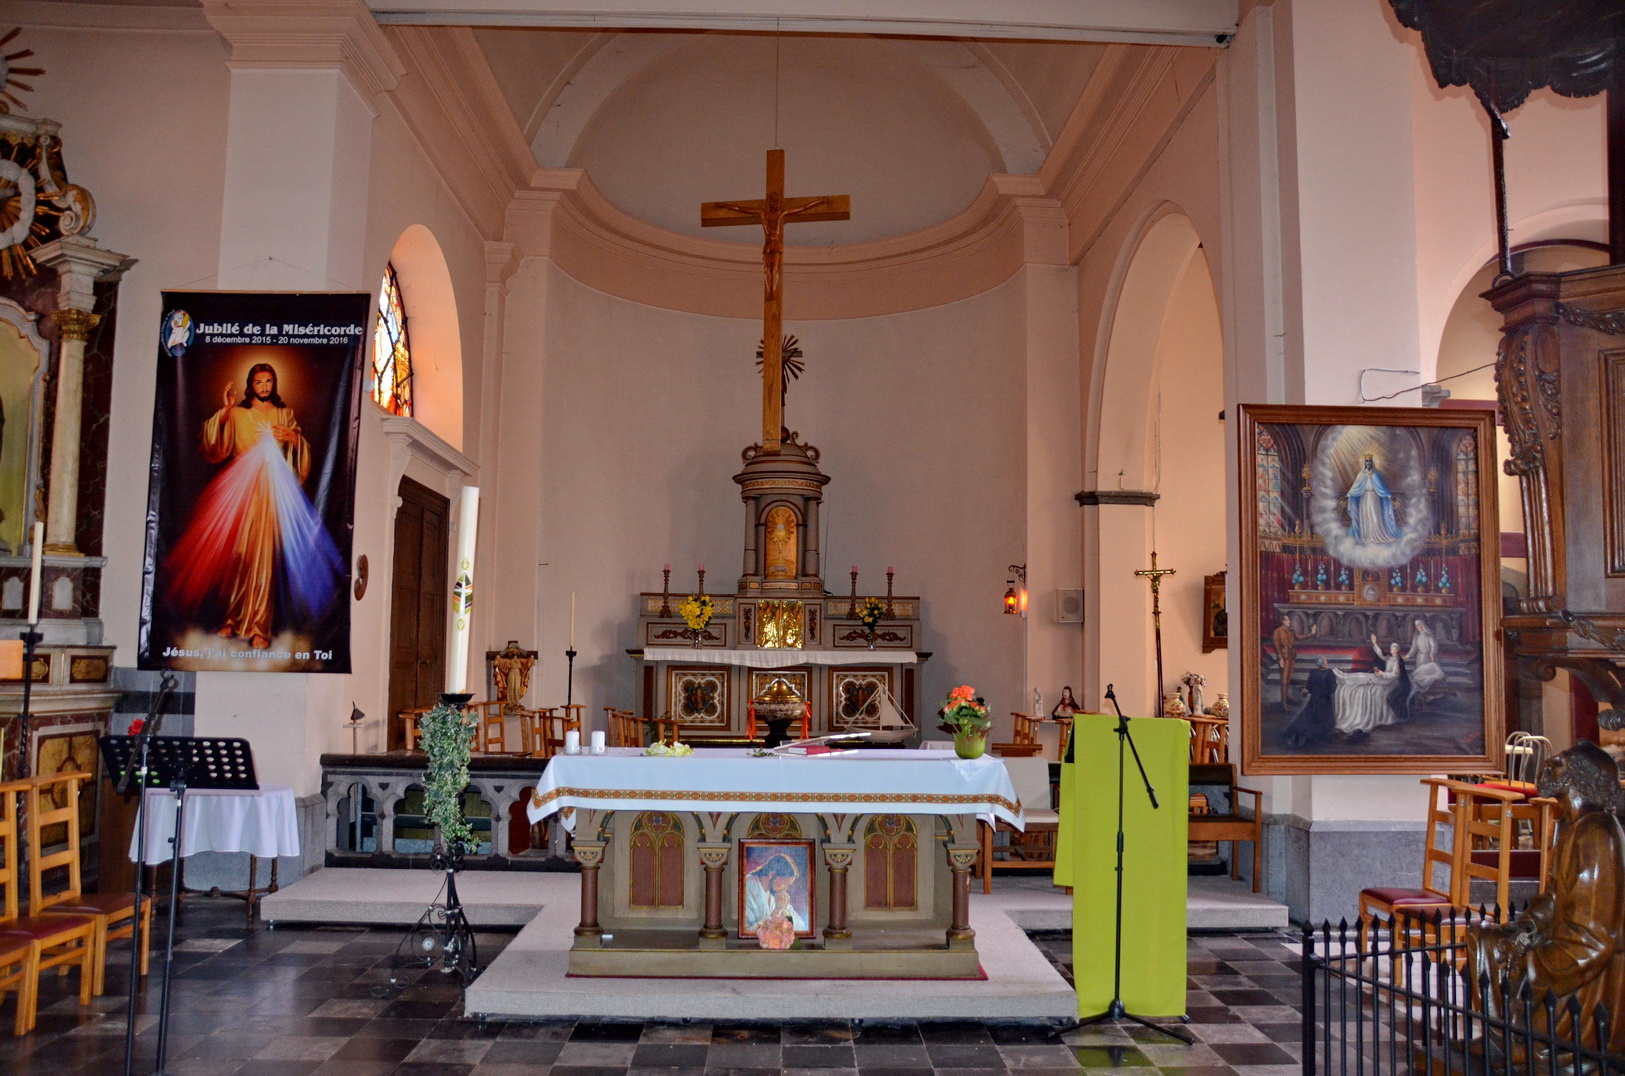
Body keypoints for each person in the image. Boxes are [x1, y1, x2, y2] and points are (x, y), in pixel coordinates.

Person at [163, 363, 342, 651]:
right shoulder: (237, 414)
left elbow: (301, 454)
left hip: (270, 492)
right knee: (238, 557)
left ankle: (259, 627)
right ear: (251, 385)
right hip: (240, 492)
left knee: (263, 561)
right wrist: (224, 411)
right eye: (259, 382)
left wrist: (293, 438)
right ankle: (231, 619)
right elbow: (214, 448)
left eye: (269, 381)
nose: (264, 387)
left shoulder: (284, 414)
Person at [1466, 741, 1625, 1060]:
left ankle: (1528, 1043)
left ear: (1582, 777)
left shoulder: (1597, 834)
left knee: (1509, 961)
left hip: (1585, 957)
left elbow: (1595, 938)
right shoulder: (1570, 826)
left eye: (1561, 762)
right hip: (1563, 938)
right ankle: (1502, 1038)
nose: (1549, 763)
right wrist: (1525, 928)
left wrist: (1532, 964)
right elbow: (1553, 897)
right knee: (1483, 941)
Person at [743, 852, 807, 934]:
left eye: (788, 885)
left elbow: (801, 926)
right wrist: (777, 911)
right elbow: (747, 932)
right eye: (784, 883)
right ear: (772, 874)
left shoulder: (775, 892)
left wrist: (785, 912)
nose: (785, 889)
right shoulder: (747, 888)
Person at [1281, 656, 1337, 749]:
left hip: (1314, 698)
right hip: (1324, 699)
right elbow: (1332, 688)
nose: (1326, 662)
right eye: (1325, 661)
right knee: (1325, 717)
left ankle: (1297, 734)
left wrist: (1314, 691)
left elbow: (1309, 686)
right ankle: (1320, 737)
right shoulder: (1329, 673)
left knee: (1308, 715)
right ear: (1323, 663)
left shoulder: (1313, 672)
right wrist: (1325, 692)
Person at [1346, 454, 1400, 545]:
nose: (1368, 464)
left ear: (1372, 463)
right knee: (1365, 517)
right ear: (1364, 463)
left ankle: (1376, 535)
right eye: (1367, 462)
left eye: (1370, 462)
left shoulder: (1376, 474)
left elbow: (1382, 488)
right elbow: (1355, 487)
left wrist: (1389, 496)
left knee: (1375, 516)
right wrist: (1348, 495)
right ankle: (1366, 536)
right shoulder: (1361, 474)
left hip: (1374, 498)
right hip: (1364, 498)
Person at [1271, 616, 1316, 707]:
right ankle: (1283, 701)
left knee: (1288, 678)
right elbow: (1276, 646)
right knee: (1284, 679)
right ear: (1283, 621)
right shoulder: (1277, 632)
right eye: (1287, 620)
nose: (1289, 621)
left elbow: (1300, 637)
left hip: (1291, 656)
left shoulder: (1291, 631)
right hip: (1284, 657)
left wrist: (1311, 633)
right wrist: (1280, 658)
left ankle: (1287, 697)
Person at [1404, 618, 1447, 706]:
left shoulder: (1429, 636)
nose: (1418, 627)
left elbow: (1434, 646)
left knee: (1429, 675)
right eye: (1417, 626)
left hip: (1428, 657)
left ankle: (1431, 694)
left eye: (1419, 625)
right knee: (1421, 676)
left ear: (1423, 626)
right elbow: (1413, 648)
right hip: (1420, 657)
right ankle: (1421, 695)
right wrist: (1407, 656)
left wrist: (1432, 653)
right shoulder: (1416, 637)